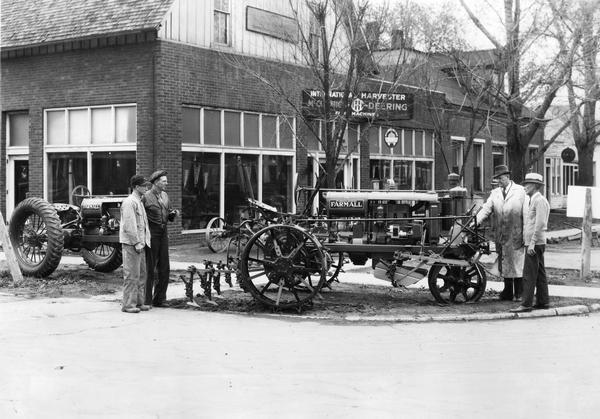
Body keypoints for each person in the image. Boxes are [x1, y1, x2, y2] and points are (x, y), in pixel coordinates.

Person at [475, 164, 527, 301]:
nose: (498, 181)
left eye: (500, 178)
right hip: (501, 233)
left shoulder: (521, 191)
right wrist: (475, 222)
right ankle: (508, 291)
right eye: (497, 179)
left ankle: (519, 292)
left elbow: (526, 214)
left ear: (508, 177)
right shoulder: (495, 193)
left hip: (516, 232)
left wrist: (526, 234)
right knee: (504, 261)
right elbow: (486, 209)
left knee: (517, 262)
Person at [510, 173, 550, 312]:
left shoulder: (539, 201)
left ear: (535, 186)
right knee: (539, 273)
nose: (525, 187)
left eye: (528, 184)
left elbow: (540, 224)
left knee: (529, 274)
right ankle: (543, 302)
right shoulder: (533, 199)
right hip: (534, 242)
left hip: (535, 243)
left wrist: (532, 243)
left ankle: (526, 304)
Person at [144, 169, 178, 307]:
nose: (166, 183)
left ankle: (160, 299)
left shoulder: (165, 196)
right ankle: (146, 300)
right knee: (149, 267)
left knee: (164, 267)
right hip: (151, 233)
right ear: (156, 182)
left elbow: (168, 213)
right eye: (164, 181)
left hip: (163, 233)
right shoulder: (145, 197)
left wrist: (173, 214)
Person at [120, 175, 151, 313]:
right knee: (131, 275)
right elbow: (129, 225)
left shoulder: (139, 201)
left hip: (140, 244)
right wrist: (136, 242)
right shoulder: (129, 202)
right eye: (144, 185)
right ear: (137, 187)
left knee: (141, 275)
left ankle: (139, 303)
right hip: (132, 245)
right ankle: (128, 305)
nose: (146, 187)